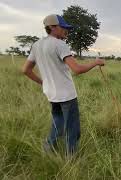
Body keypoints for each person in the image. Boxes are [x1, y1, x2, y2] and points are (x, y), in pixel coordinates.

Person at [22, 14, 105, 155]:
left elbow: (26, 70)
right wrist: (96, 63)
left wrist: (43, 83)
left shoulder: (36, 45)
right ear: (52, 27)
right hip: (67, 96)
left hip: (51, 94)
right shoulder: (60, 44)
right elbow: (77, 69)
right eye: (63, 28)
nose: (66, 31)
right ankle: (70, 160)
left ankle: (48, 150)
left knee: (57, 123)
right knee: (73, 129)